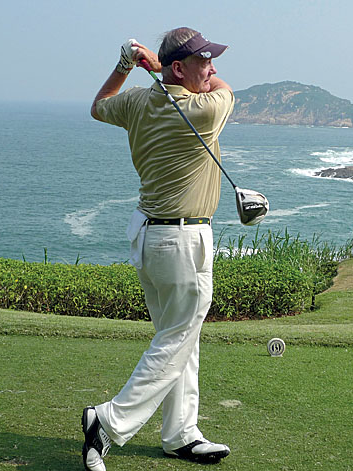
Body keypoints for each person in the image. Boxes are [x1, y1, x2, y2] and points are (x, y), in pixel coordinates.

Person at [81, 27, 234, 471]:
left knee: (180, 336)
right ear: (180, 68)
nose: (213, 70)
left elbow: (98, 106)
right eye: (204, 62)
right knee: (177, 338)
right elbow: (226, 91)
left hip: (148, 236)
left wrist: (128, 65)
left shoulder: (137, 102)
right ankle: (107, 422)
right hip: (183, 240)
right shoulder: (203, 109)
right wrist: (158, 67)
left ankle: (181, 433)